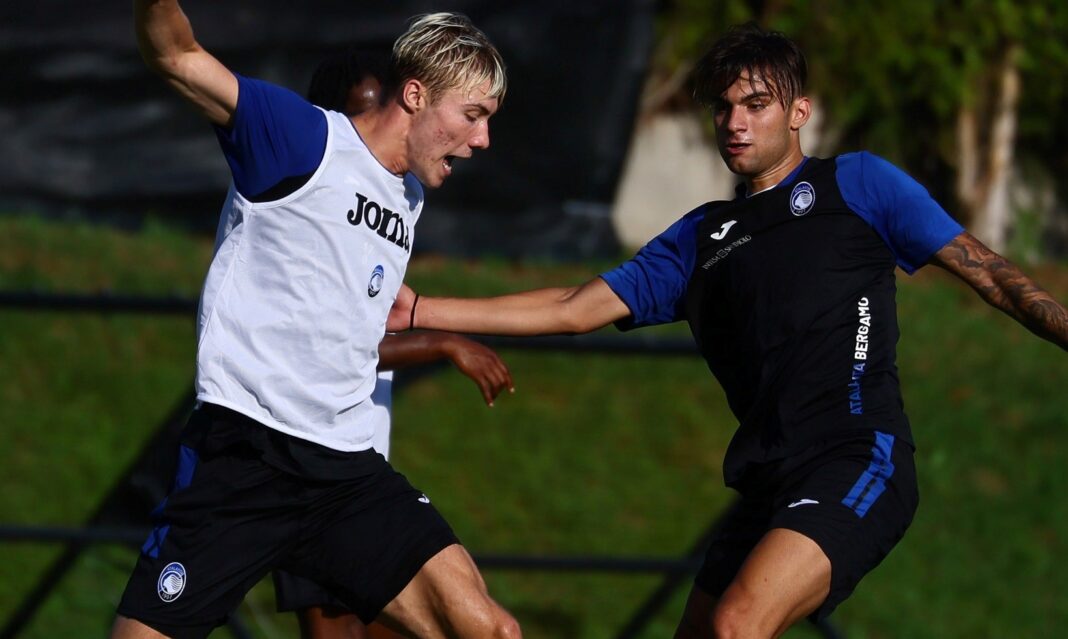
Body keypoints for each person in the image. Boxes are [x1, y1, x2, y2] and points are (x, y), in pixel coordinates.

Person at [386, 23, 1068, 639]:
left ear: (799, 111)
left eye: (756, 104)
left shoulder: (858, 185)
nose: (735, 122)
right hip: (767, 480)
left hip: (857, 457)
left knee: (738, 624)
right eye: (724, 107)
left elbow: (987, 271)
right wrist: (421, 310)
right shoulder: (701, 238)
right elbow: (572, 304)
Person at [115, 3, 518, 638]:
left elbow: (346, 315)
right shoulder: (301, 138)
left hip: (345, 470)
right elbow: (177, 56)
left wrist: (445, 334)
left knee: (490, 629)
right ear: (414, 95)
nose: (483, 140)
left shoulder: (407, 194)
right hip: (246, 457)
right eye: (472, 116)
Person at [271, 49, 512, 639]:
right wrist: (444, 343)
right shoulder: (309, 204)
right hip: (297, 469)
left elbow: (376, 316)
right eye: (362, 113)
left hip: (356, 470)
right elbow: (334, 342)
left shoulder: (397, 204)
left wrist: (429, 318)